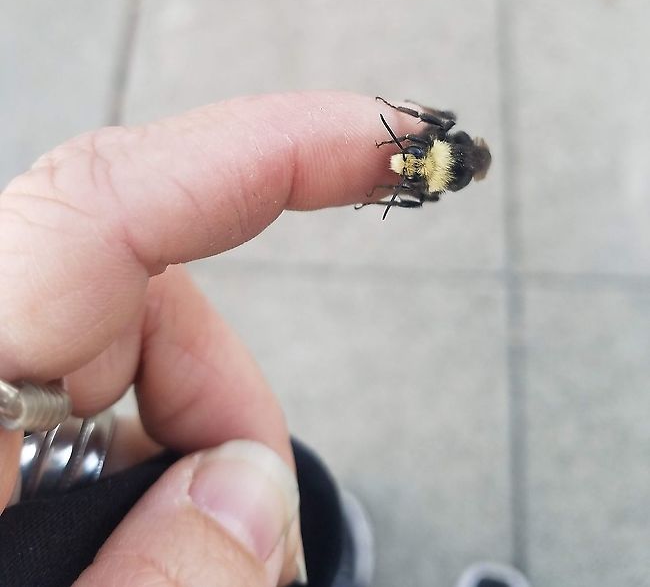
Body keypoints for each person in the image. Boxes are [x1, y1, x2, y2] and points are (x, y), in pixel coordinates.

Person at [0, 91, 530, 587]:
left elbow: (438, 135)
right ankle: (327, 556)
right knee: (309, 502)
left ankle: (326, 555)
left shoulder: (446, 139)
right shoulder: (450, 175)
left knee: (307, 500)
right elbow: (431, 187)